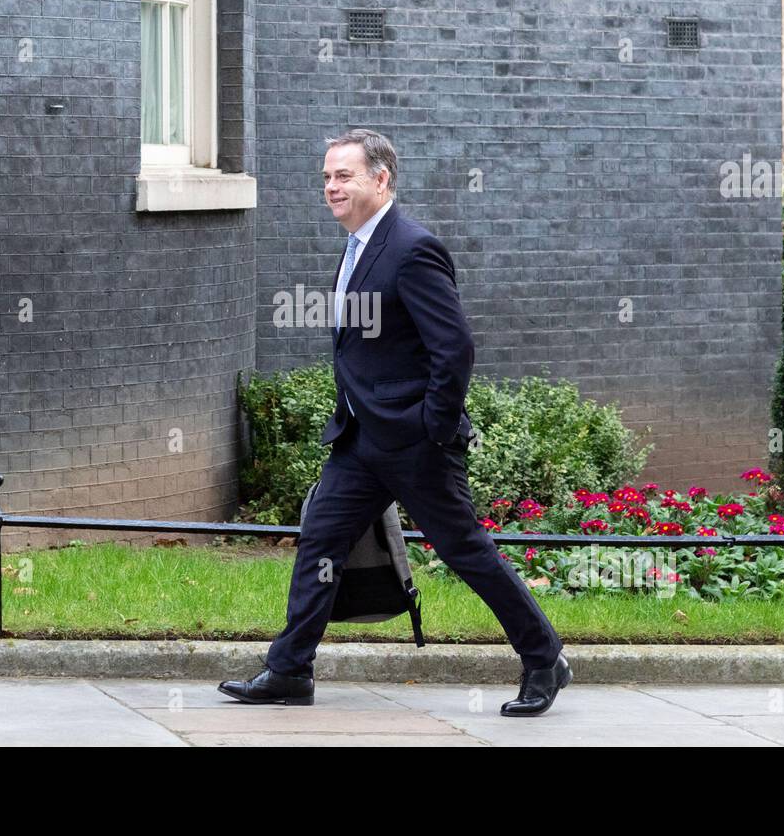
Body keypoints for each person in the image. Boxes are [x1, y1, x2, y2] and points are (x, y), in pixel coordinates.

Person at [218, 129, 571, 716]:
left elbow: (453, 348)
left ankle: (544, 658)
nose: (331, 186)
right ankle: (289, 671)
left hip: (413, 443)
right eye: (327, 176)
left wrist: (431, 426)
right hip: (358, 441)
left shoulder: (412, 248)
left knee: (465, 550)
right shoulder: (357, 245)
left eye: (344, 176)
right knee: (320, 542)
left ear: (380, 180)